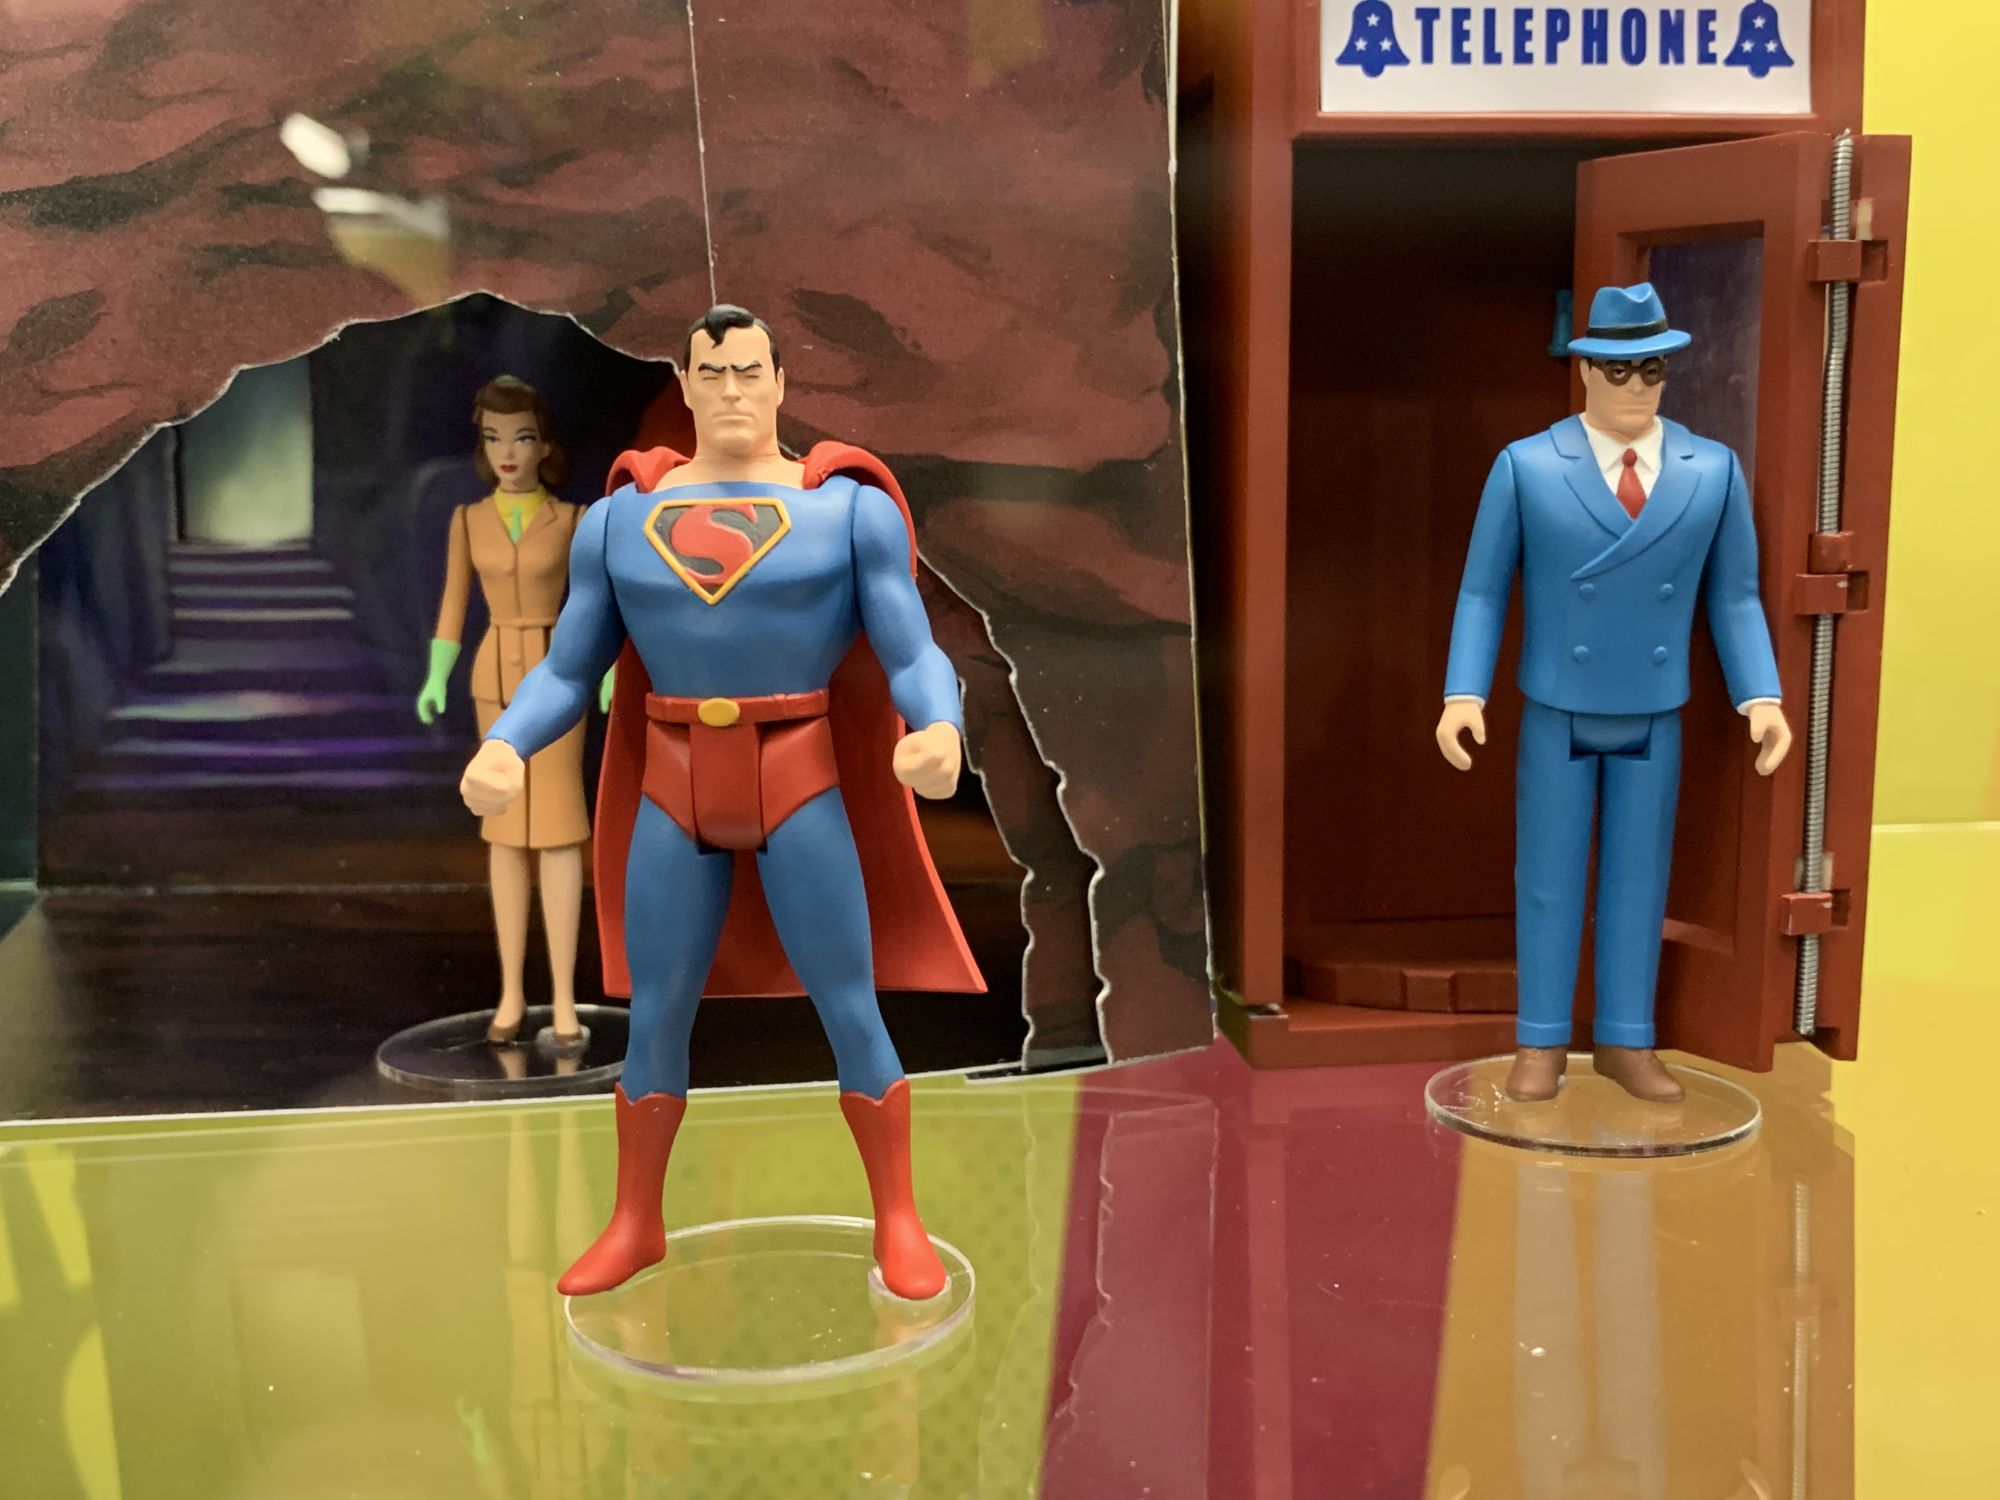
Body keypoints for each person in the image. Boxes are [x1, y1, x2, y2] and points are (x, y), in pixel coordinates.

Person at [460, 306, 982, 1298]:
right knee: (656, 1012)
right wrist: (505, 744)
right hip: (673, 773)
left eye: (749, 371)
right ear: (687, 386)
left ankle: (899, 1220)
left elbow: (911, 647)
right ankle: (636, 1223)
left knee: (849, 1004)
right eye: (713, 373)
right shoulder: (618, 520)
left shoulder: (844, 510)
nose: (733, 390)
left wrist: (940, 727)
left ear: (780, 382)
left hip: (797, 769)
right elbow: (568, 668)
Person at [1435, 284, 1792, 1103]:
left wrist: (1761, 697)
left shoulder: (1712, 471)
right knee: (1548, 876)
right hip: (1558, 706)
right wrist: (1463, 693)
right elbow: (1482, 592)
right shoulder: (1527, 465)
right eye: (1620, 371)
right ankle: (1541, 1039)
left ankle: (1628, 1038)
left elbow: (1735, 596)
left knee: (1639, 879)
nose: (1636, 388)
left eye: (1652, 370)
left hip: (1654, 706)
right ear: (1587, 371)